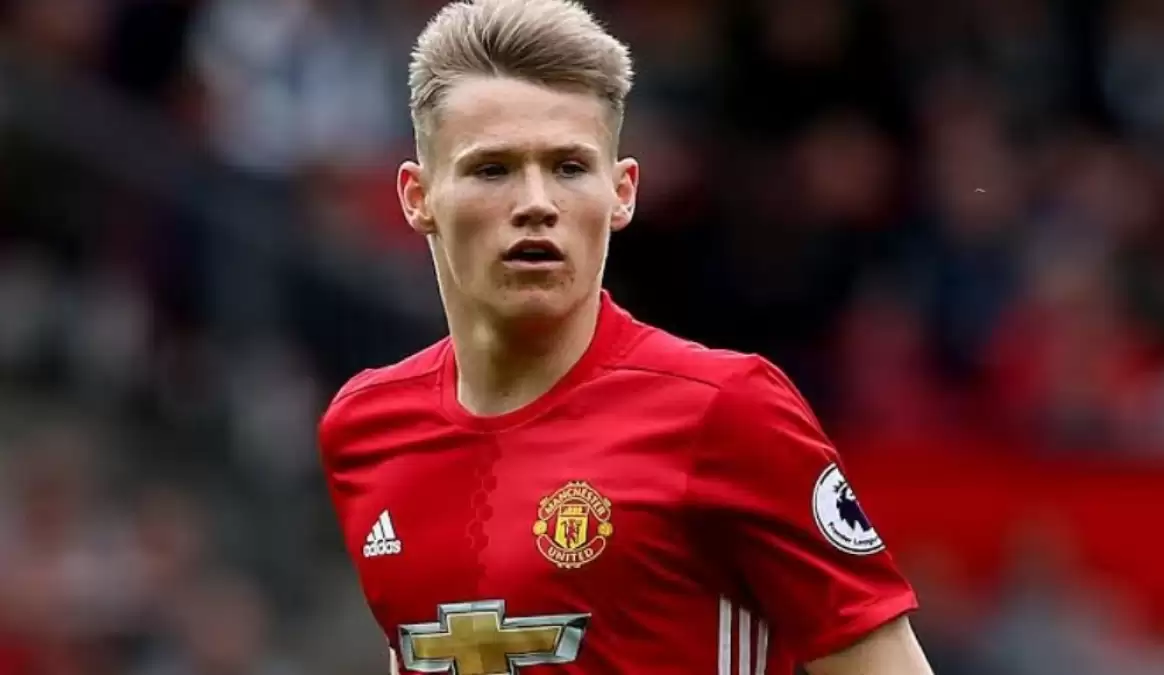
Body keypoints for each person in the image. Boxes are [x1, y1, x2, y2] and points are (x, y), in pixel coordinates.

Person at [317, 0, 934, 673]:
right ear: (418, 197)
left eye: (569, 167)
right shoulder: (365, 428)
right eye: (492, 169)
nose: (536, 203)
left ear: (622, 192)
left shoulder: (729, 411)